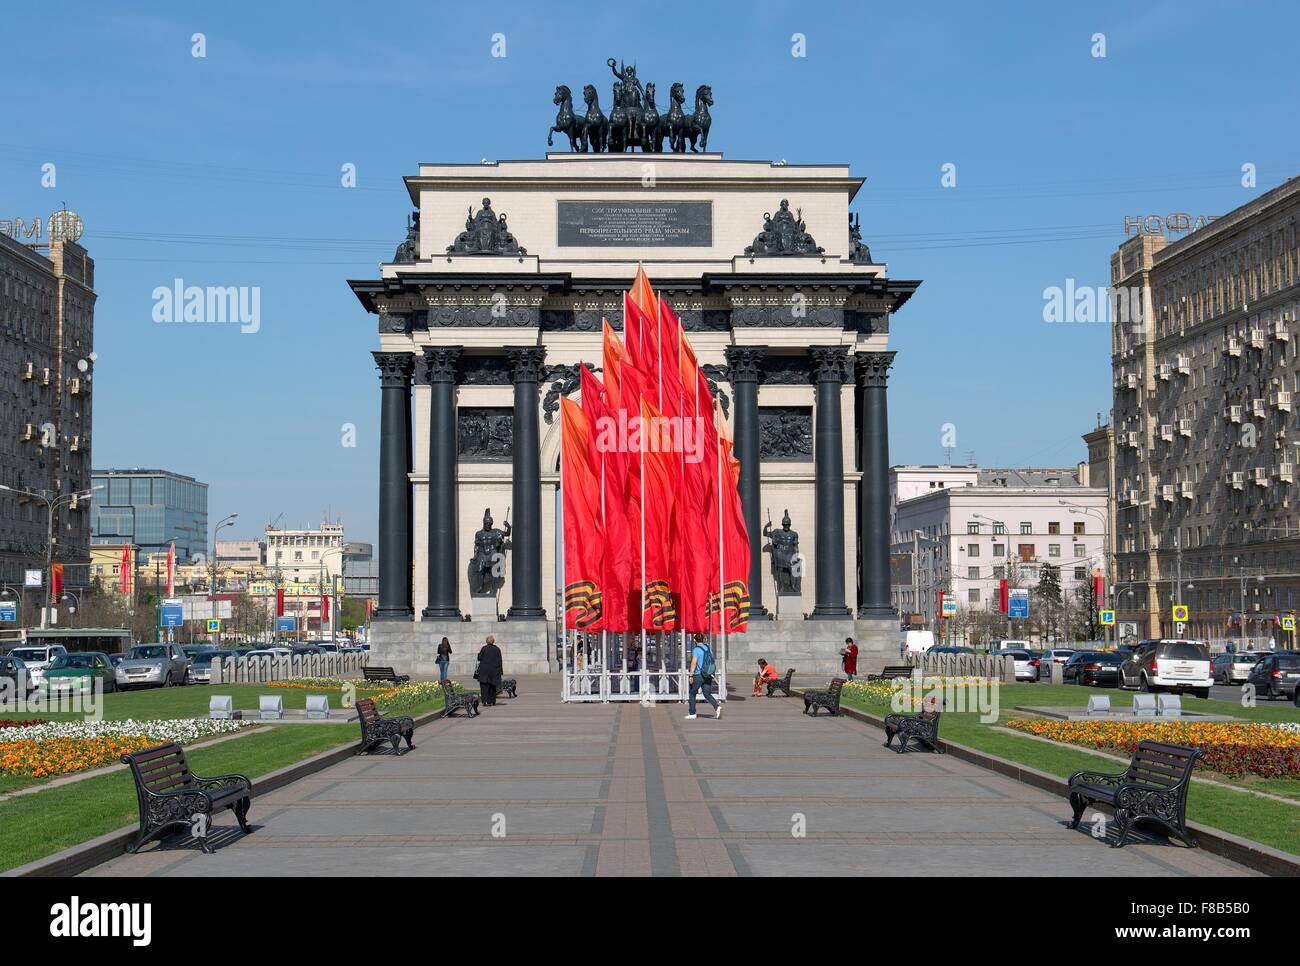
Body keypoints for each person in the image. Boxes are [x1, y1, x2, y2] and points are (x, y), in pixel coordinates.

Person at [686, 633, 721, 720]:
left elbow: (694, 662)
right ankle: (717, 707)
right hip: (708, 674)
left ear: (695, 640)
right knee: (707, 694)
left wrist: (691, 675)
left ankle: (692, 713)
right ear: (703, 639)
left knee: (692, 693)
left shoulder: (696, 649)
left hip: (698, 675)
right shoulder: (708, 649)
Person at [475, 634, 504, 706]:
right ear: (493, 641)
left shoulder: (484, 648)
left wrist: (478, 654)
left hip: (484, 671)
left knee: (484, 687)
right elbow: (500, 661)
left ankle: (484, 701)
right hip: (494, 671)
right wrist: (501, 672)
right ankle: (492, 700)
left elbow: (479, 658)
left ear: (487, 641)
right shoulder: (497, 649)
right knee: (493, 687)